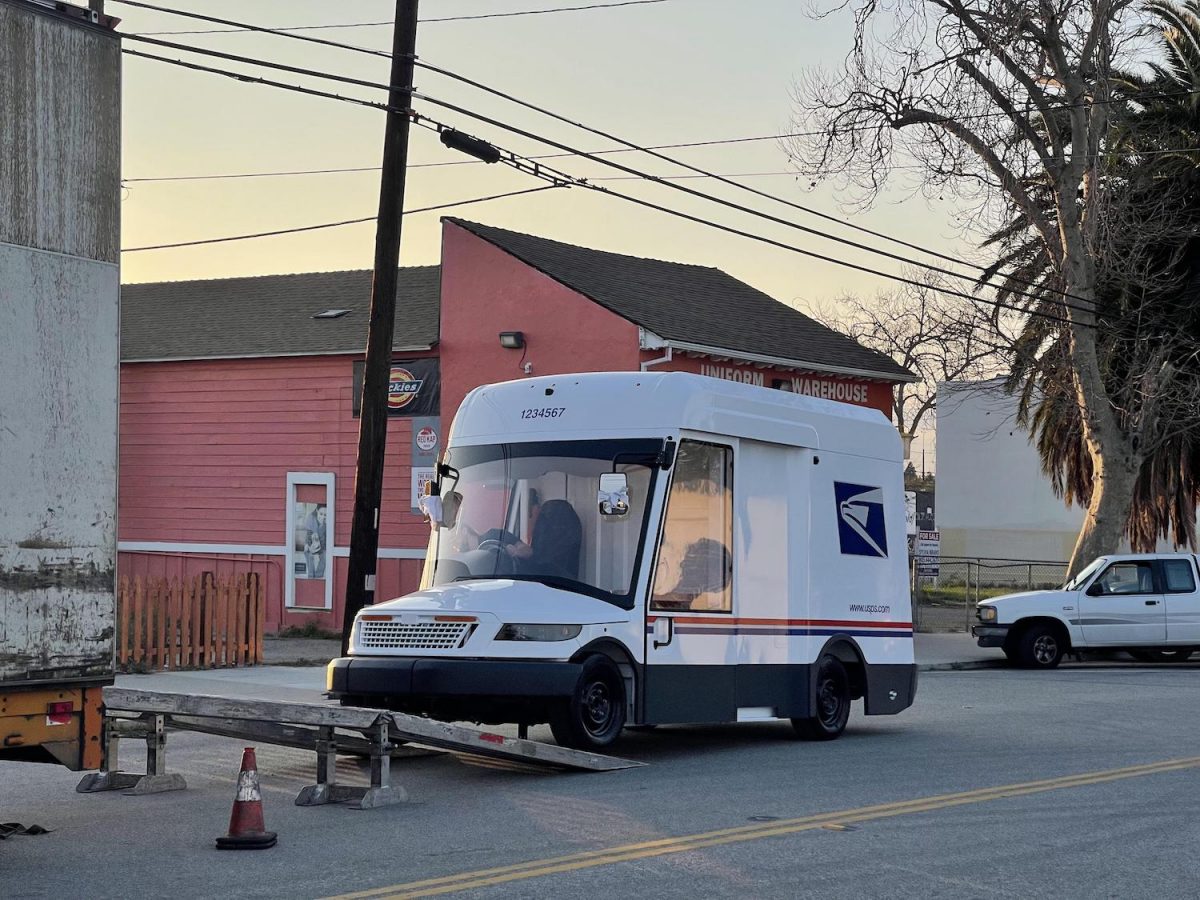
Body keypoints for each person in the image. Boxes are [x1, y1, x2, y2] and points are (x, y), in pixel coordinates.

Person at [303, 505, 327, 578]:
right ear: (317, 511)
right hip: (312, 544)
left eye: (325, 515)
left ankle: (318, 576)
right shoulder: (311, 520)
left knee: (325, 557)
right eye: (321, 514)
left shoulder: (327, 524)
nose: (322, 517)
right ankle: (311, 576)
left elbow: (326, 539)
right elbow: (308, 534)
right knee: (307, 553)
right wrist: (308, 545)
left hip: (322, 546)